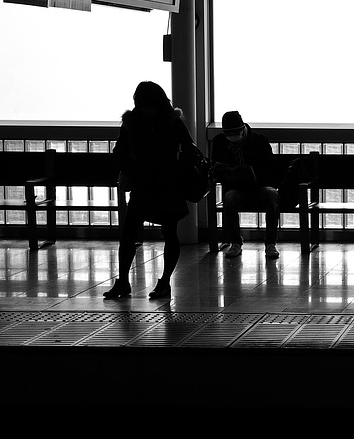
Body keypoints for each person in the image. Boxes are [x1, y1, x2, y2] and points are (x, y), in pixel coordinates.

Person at [104, 81, 203, 301]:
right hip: (164, 185)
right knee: (149, 234)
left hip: (155, 184)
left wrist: (133, 169)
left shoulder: (134, 122)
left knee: (142, 234)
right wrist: (175, 170)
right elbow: (190, 152)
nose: (144, 108)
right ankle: (151, 281)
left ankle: (137, 281)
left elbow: (119, 151)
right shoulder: (171, 122)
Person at [210, 110, 280, 260]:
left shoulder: (259, 141)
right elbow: (215, 167)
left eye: (235, 133)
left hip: (260, 186)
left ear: (243, 130)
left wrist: (250, 173)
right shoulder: (220, 142)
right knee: (229, 198)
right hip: (236, 188)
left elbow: (271, 169)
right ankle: (235, 242)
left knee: (271, 195)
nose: (231, 137)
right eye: (228, 134)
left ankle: (270, 243)